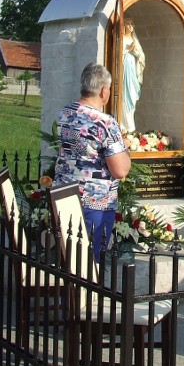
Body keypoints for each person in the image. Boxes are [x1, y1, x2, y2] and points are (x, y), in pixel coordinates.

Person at [54, 63, 131, 260]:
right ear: (104, 90)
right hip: (94, 202)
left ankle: (70, 290)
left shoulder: (66, 113)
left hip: (64, 194)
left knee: (69, 258)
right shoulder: (104, 123)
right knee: (89, 261)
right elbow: (120, 170)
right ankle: (88, 291)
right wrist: (125, 148)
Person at [121, 20, 145, 132]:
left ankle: (130, 126)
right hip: (125, 68)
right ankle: (125, 126)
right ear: (124, 26)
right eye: (128, 24)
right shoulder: (122, 39)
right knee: (126, 95)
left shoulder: (134, 39)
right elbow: (117, 53)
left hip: (133, 70)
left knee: (133, 94)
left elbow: (141, 56)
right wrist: (127, 50)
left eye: (132, 24)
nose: (131, 26)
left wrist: (135, 51)